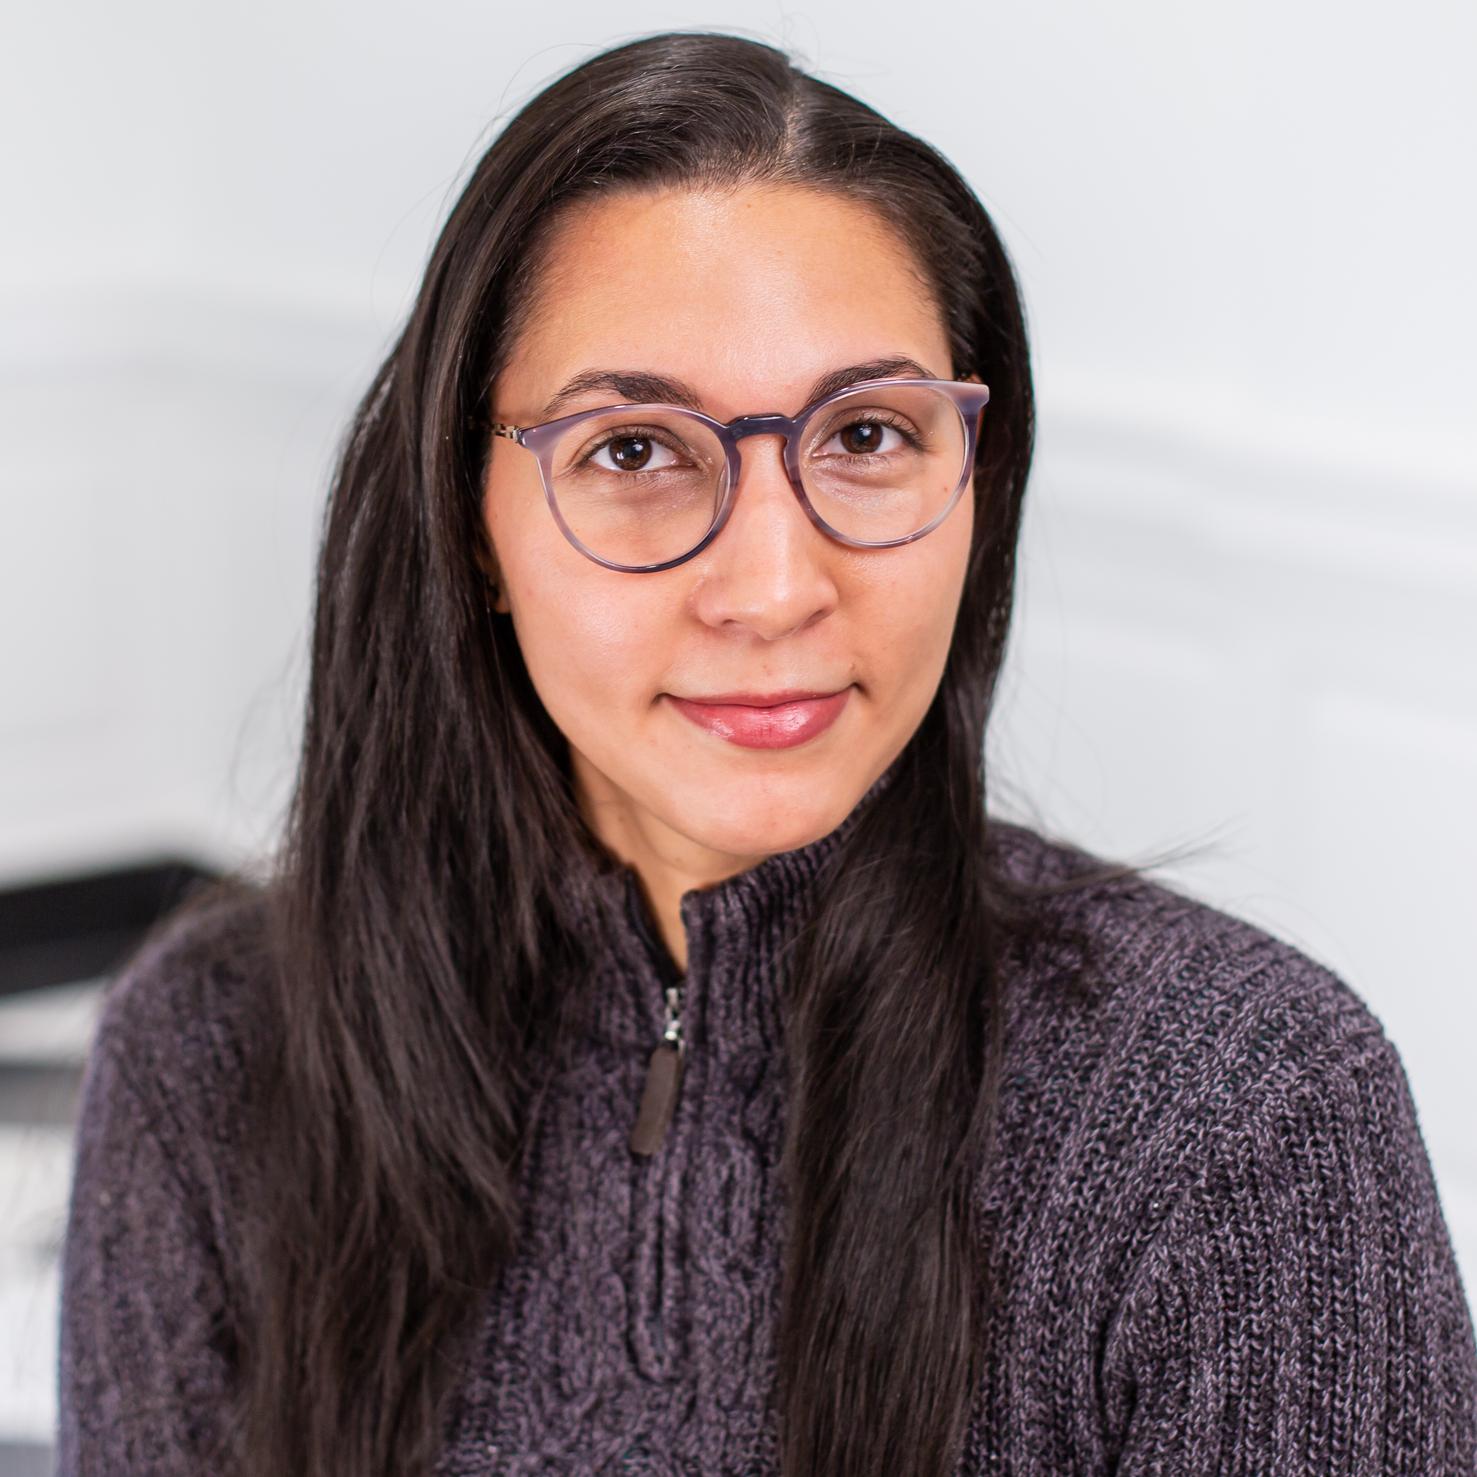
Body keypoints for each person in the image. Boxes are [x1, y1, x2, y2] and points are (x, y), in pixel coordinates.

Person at [55, 28, 1477, 1477]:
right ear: (468, 517)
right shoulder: (212, 1058)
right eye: (632, 451)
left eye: (866, 432)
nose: (774, 586)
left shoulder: (1239, 1115)